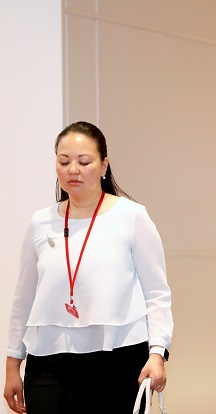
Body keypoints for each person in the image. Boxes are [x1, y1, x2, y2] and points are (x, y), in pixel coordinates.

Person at [3, 121, 173, 414]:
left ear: (104, 165)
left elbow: (157, 293)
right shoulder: (40, 222)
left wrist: (157, 353)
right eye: (64, 161)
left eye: (84, 161)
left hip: (119, 359)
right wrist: (11, 366)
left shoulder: (132, 216)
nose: (73, 170)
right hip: (48, 362)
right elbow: (24, 298)